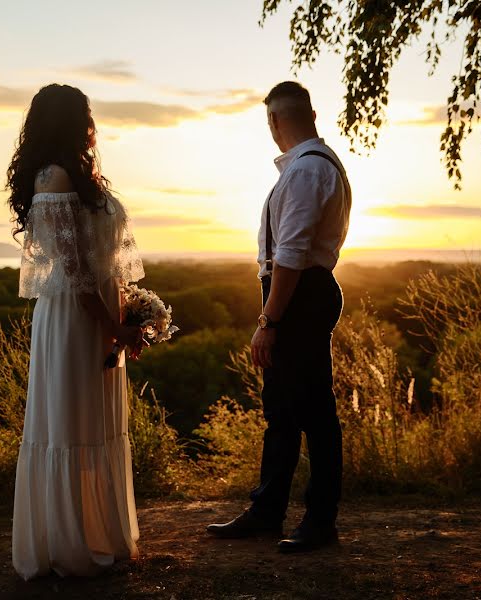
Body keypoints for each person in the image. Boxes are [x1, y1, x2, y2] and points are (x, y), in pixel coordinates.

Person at [207, 81, 352, 552]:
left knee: (314, 413)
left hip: (298, 296)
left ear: (274, 122)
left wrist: (269, 322)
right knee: (283, 412)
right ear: (310, 113)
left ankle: (319, 522)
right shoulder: (311, 166)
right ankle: (268, 511)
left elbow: (289, 254)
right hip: (300, 293)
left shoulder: (307, 172)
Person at [7, 83, 145, 579]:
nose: (92, 122)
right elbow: (76, 270)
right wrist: (112, 326)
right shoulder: (55, 176)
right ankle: (69, 545)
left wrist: (128, 316)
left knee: (95, 423)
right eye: (85, 114)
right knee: (70, 424)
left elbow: (110, 263)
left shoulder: (83, 175)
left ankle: (96, 533)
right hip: (74, 318)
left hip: (101, 311)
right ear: (69, 120)